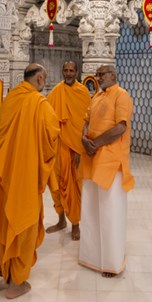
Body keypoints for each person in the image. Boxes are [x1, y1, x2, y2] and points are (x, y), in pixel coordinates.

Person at [0, 64, 59, 299]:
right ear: (40, 79)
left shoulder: (10, 98)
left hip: (4, 173)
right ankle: (16, 283)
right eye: (44, 78)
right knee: (21, 223)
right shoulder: (40, 103)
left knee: (0, 223)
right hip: (25, 174)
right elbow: (51, 137)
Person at [79, 64, 134, 277]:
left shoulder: (122, 95)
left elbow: (121, 127)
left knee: (110, 212)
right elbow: (86, 121)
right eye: (97, 75)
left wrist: (96, 143)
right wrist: (84, 139)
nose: (98, 77)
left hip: (111, 161)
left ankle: (112, 262)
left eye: (102, 74)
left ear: (113, 74)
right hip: (92, 158)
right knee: (91, 210)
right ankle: (92, 257)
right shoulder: (97, 96)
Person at [46, 60, 90, 241]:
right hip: (58, 146)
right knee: (56, 184)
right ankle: (61, 220)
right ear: (62, 71)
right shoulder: (56, 92)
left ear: (77, 72)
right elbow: (48, 119)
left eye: (72, 70)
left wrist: (79, 149)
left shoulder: (83, 92)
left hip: (76, 150)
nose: (69, 73)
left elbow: (86, 124)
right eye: (66, 70)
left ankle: (75, 224)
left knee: (74, 186)